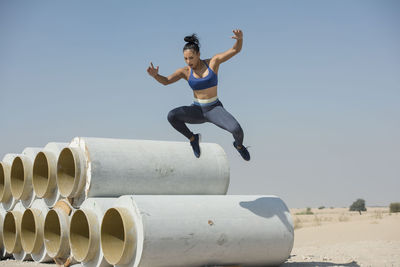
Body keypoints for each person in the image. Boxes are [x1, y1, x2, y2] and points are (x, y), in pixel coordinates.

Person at [147, 29, 250, 161]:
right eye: (185, 58)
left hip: (214, 109)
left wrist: (239, 39)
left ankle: (239, 146)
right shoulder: (185, 71)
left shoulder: (213, 62)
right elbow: (166, 81)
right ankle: (193, 138)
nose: (188, 61)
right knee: (172, 116)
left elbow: (235, 50)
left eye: (191, 58)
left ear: (199, 54)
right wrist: (156, 76)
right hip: (197, 110)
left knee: (237, 130)